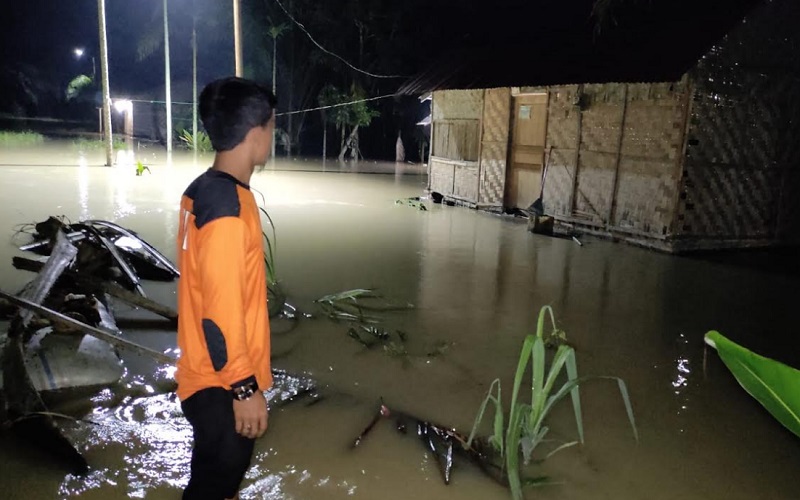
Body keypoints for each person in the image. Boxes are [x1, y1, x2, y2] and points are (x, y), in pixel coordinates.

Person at [175, 77, 276, 500]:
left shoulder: (204, 189)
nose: (274, 138)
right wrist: (245, 390)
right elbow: (219, 312)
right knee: (216, 486)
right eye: (273, 128)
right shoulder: (226, 210)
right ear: (256, 134)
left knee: (209, 485)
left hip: (208, 377)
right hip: (221, 386)